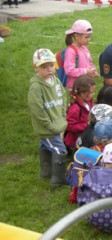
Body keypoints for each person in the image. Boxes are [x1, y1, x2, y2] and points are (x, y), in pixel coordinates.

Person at [28, 49, 68, 187]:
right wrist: (49, 125)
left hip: (57, 122)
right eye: (44, 67)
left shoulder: (55, 81)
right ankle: (58, 179)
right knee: (60, 150)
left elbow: (63, 97)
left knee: (45, 146)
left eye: (51, 65)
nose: (49, 69)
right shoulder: (36, 87)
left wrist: (63, 115)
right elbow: (37, 110)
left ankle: (46, 172)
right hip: (48, 128)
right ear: (36, 68)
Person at [77, 142, 112, 233]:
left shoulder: (92, 173)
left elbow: (81, 193)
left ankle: (98, 226)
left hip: (91, 215)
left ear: (103, 161)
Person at [63, 19, 99, 90]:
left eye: (89, 36)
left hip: (86, 84)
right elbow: (69, 70)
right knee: (78, 101)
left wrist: (93, 71)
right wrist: (85, 71)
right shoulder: (71, 51)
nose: (89, 39)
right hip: (76, 86)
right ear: (76, 36)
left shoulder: (85, 48)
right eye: (86, 37)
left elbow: (89, 62)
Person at [64, 75, 96, 152]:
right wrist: (86, 125)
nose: (93, 94)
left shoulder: (88, 102)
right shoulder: (75, 108)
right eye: (91, 92)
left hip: (86, 134)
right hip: (76, 141)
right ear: (82, 93)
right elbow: (69, 126)